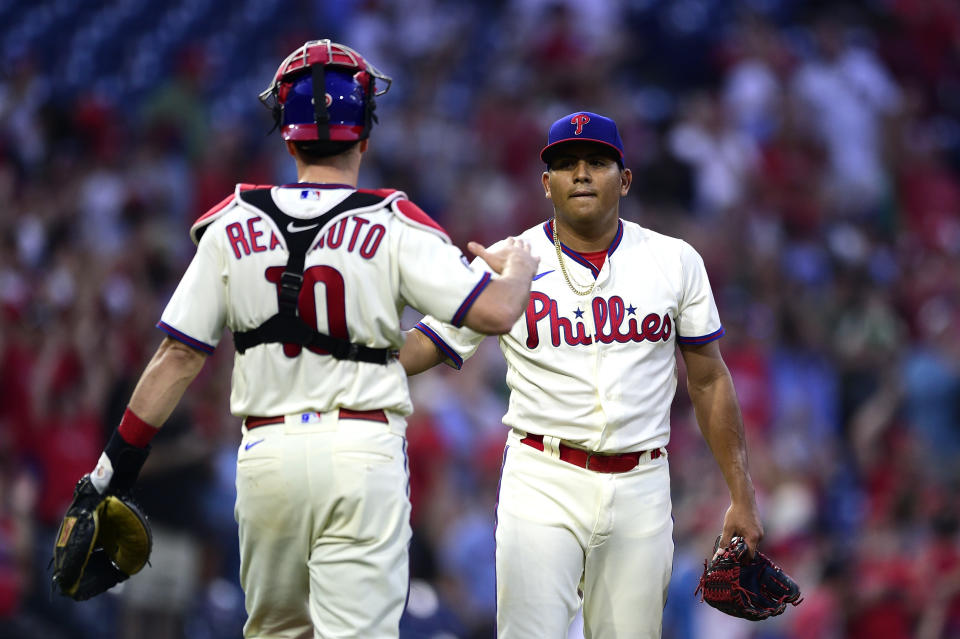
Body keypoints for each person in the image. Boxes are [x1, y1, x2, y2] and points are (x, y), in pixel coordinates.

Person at [59, 40, 538, 639]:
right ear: (364, 134)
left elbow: (177, 356)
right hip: (362, 452)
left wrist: (109, 474)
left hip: (267, 459)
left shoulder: (231, 222)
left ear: (286, 138)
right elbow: (494, 311)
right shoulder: (391, 219)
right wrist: (519, 265)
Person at [400, 111, 763, 638]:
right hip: (543, 477)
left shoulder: (674, 260)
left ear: (625, 178)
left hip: (642, 483)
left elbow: (709, 380)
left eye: (597, 162)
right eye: (566, 165)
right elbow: (427, 343)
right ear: (546, 183)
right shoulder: (511, 262)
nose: (582, 174)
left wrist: (742, 493)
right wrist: (346, 364)